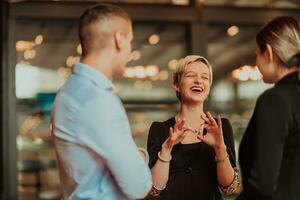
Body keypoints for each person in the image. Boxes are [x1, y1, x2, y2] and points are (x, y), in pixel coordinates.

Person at [51, 4, 152, 200]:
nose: (130, 51)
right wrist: (138, 156)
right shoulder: (97, 101)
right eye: (130, 41)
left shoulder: (69, 92)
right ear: (119, 39)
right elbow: (138, 185)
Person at [147, 55, 241, 200]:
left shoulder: (220, 127)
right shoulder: (159, 129)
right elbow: (154, 189)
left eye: (205, 77)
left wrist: (220, 149)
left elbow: (229, 188)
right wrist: (167, 148)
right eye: (191, 75)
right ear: (177, 84)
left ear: (209, 87)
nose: (199, 81)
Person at [237, 16, 300, 200]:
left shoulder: (275, 100)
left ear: (270, 53)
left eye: (257, 53)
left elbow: (263, 184)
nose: (256, 62)